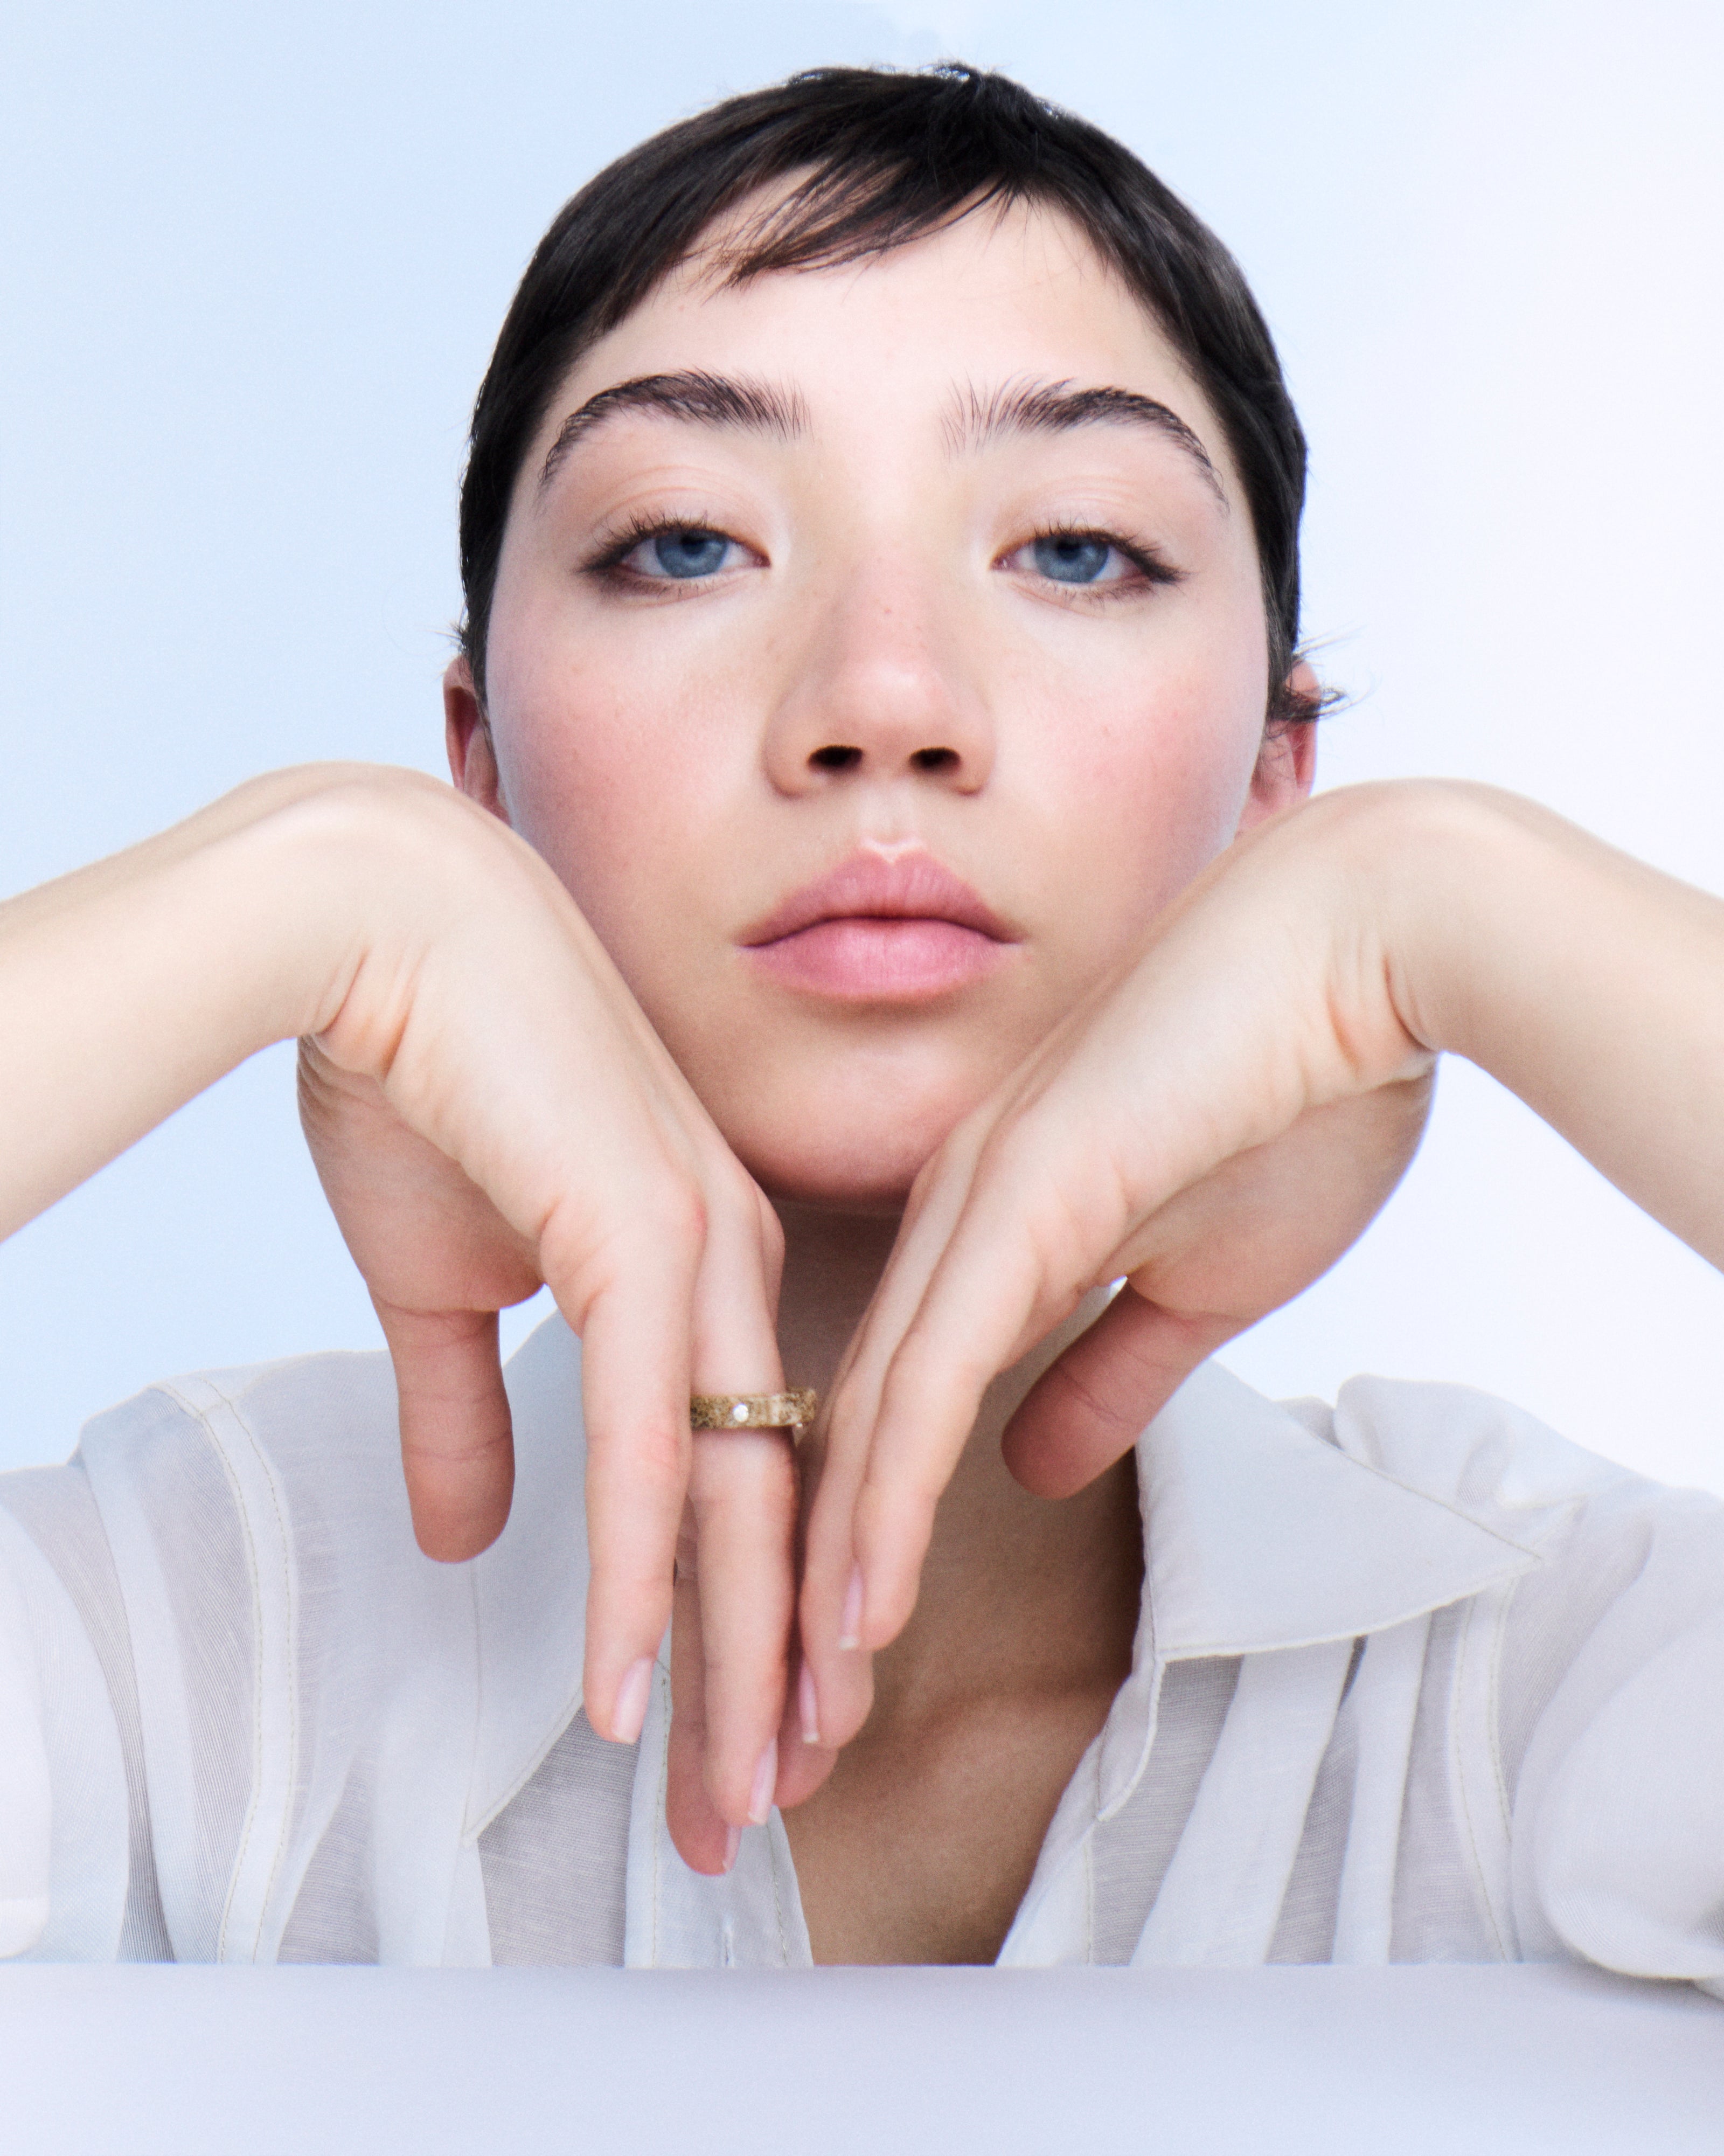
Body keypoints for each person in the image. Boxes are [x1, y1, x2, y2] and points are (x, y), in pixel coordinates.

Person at [2, 63, 1721, 1977]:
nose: (884, 696)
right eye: (683, 540)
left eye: (1076, 547)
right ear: (479, 777)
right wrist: (300, 888)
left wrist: (1468, 903)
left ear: (1272, 785)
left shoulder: (1521, 1667)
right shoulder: (186, 1644)